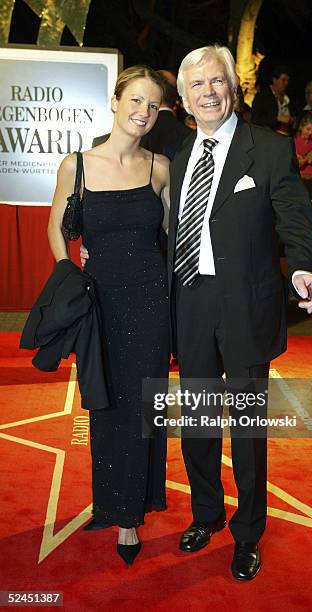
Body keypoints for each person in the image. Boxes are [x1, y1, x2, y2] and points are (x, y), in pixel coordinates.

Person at [167, 45, 312, 581]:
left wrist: (303, 268)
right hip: (190, 302)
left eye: (217, 81)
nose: (209, 92)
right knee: (197, 420)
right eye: (197, 86)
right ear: (184, 98)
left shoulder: (267, 149)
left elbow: (294, 220)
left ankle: (247, 534)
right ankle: (205, 515)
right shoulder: (175, 157)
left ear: (234, 90)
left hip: (245, 305)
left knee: (245, 427)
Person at [48, 65, 171, 567]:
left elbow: (171, 236)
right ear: (116, 100)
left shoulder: (159, 167)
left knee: (145, 407)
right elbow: (56, 231)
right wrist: (70, 278)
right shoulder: (75, 164)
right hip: (100, 302)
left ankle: (130, 518)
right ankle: (113, 502)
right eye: (135, 100)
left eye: (153, 105)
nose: (143, 112)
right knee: (106, 405)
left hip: (150, 301)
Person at [251, 64, 294, 134]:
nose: (286, 83)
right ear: (274, 80)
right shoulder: (262, 97)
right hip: (267, 137)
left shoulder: (290, 99)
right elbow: (255, 120)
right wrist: (277, 118)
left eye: (287, 80)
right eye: (283, 80)